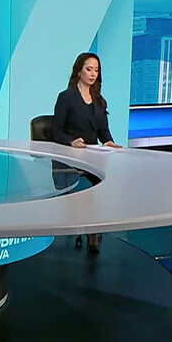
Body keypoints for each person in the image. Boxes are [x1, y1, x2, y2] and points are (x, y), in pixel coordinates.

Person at [52, 52, 122, 253]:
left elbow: (103, 131)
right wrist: (71, 141)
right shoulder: (66, 97)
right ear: (79, 71)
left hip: (93, 156)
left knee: (106, 182)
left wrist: (109, 141)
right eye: (89, 69)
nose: (93, 74)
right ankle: (91, 231)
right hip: (69, 158)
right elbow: (57, 131)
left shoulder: (99, 100)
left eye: (96, 70)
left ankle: (93, 225)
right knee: (86, 188)